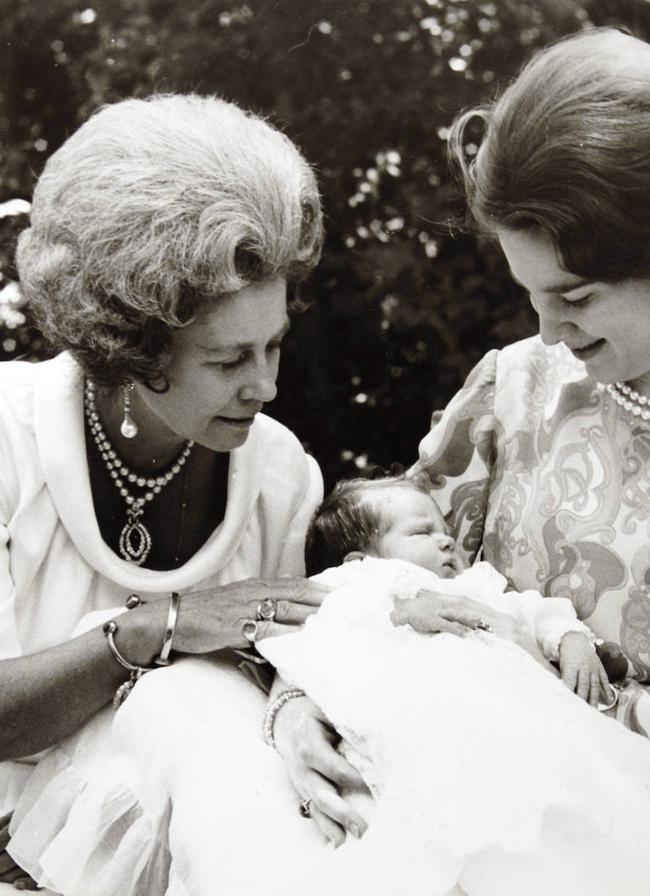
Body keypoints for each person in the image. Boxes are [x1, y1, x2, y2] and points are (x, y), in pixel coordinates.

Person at [267, 24, 650, 855]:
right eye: (530, 293)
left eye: (576, 296)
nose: (546, 331)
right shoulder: (512, 391)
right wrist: (295, 710)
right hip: (484, 822)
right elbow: (359, 585)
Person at [0, 92, 360, 892]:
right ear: (126, 342)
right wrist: (156, 629)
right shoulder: (7, 438)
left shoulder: (279, 472)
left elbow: (280, 678)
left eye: (274, 346)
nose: (264, 386)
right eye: (228, 361)